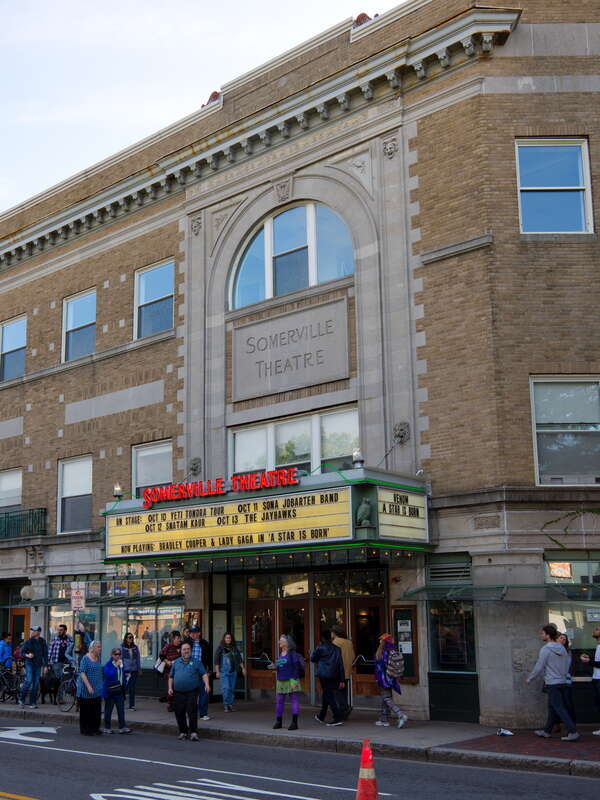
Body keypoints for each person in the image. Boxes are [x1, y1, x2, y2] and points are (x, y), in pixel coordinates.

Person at [526, 624, 579, 741]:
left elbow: (539, 666)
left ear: (548, 635)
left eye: (542, 633)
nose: (541, 635)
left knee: (559, 707)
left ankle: (573, 731)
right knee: (552, 707)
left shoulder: (545, 649)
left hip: (552, 683)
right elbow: (566, 665)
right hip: (562, 682)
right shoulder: (562, 648)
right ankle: (546, 731)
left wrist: (530, 678)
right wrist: (563, 676)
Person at [168, 641, 210, 741]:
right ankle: (183, 732)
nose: (186, 651)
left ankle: (194, 732)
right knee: (179, 712)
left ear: (190, 651)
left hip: (192, 691)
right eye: (184, 649)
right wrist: (170, 688)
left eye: (188, 649)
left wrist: (207, 684)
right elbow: (171, 677)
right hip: (178, 692)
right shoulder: (176, 662)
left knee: (192, 711)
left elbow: (204, 674)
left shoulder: (196, 662)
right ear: (181, 651)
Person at [268, 634, 304, 730]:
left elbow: (296, 668)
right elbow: (280, 666)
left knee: (294, 701)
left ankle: (294, 723)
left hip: (291, 680)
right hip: (281, 680)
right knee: (279, 702)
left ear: (287, 643)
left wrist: (293, 680)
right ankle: (278, 721)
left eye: (281, 640)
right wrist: (274, 667)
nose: (279, 642)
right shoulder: (280, 654)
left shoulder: (293, 654)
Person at [311, 629, 345, 726]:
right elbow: (340, 665)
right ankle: (322, 715)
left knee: (328, 695)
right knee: (327, 693)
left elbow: (313, 658)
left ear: (322, 638)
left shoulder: (320, 647)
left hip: (324, 674)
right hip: (334, 674)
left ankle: (337, 717)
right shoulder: (337, 648)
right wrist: (342, 679)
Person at [374, 633, 408, 728]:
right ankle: (383, 719)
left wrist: (377, 679)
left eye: (380, 640)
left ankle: (400, 715)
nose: (379, 641)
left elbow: (379, 668)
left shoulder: (381, 652)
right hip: (392, 677)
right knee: (385, 697)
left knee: (386, 698)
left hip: (384, 678)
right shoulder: (394, 650)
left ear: (382, 641)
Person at [184, 626, 212, 721]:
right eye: (191, 632)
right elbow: (182, 657)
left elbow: (209, 658)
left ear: (199, 633)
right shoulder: (186, 642)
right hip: (190, 672)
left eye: (195, 632)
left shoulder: (205, 643)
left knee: (203, 693)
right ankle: (190, 712)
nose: (193, 634)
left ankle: (203, 713)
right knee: (191, 694)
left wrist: (209, 670)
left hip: (202, 672)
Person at [102, 646, 132, 734]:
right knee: (108, 710)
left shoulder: (121, 664)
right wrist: (116, 666)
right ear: (112, 655)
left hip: (119, 690)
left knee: (121, 710)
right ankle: (107, 727)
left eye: (119, 654)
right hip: (110, 690)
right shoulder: (108, 664)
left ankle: (122, 727)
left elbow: (121, 676)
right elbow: (108, 675)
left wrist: (126, 678)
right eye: (116, 654)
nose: (118, 656)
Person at [76, 640, 104, 736]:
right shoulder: (85, 659)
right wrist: (88, 686)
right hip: (86, 689)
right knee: (86, 711)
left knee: (96, 711)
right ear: (92, 648)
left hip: (97, 689)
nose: (100, 649)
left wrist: (101, 686)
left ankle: (95, 728)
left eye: (100, 647)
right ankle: (85, 729)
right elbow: (82, 672)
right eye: (98, 647)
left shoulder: (98, 658)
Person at [18, 626, 48, 708]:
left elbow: (45, 654)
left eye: (34, 631)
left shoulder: (42, 641)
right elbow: (21, 653)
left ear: (38, 632)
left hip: (38, 665)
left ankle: (32, 702)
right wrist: (28, 655)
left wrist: (46, 666)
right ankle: (21, 699)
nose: (32, 632)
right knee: (29, 681)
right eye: (32, 631)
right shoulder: (29, 641)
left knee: (36, 684)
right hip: (29, 663)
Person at [214, 632, 245, 712]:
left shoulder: (234, 648)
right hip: (224, 672)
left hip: (233, 672)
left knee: (231, 689)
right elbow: (216, 661)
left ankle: (230, 705)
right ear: (224, 639)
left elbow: (239, 659)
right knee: (226, 688)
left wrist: (243, 668)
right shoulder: (220, 648)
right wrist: (217, 672)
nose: (228, 639)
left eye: (230, 638)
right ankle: (226, 705)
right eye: (227, 638)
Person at [580, 624, 600, 736]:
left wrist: (588, 662)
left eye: (597, 629)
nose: (594, 630)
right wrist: (589, 659)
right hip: (596, 678)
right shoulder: (598, 646)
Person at [331, 625, 355, 720]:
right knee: (343, 692)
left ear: (334, 633)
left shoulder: (335, 642)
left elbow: (333, 658)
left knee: (337, 693)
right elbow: (353, 656)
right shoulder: (349, 642)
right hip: (347, 671)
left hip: (336, 672)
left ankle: (343, 710)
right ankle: (344, 709)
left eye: (332, 632)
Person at [159, 631, 182, 712]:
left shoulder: (182, 646)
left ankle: (174, 702)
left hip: (179, 671)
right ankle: (170, 704)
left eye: (180, 638)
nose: (179, 640)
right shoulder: (168, 646)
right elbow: (161, 655)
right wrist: (167, 661)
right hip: (169, 671)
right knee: (171, 687)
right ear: (173, 639)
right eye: (177, 638)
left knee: (177, 688)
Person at [122, 632, 141, 711]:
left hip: (134, 670)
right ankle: (120, 702)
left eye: (132, 637)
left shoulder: (135, 647)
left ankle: (131, 705)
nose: (131, 639)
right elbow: (120, 659)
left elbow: (138, 658)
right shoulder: (122, 647)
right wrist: (121, 669)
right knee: (124, 688)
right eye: (129, 637)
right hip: (125, 671)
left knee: (132, 688)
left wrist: (139, 668)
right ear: (126, 638)